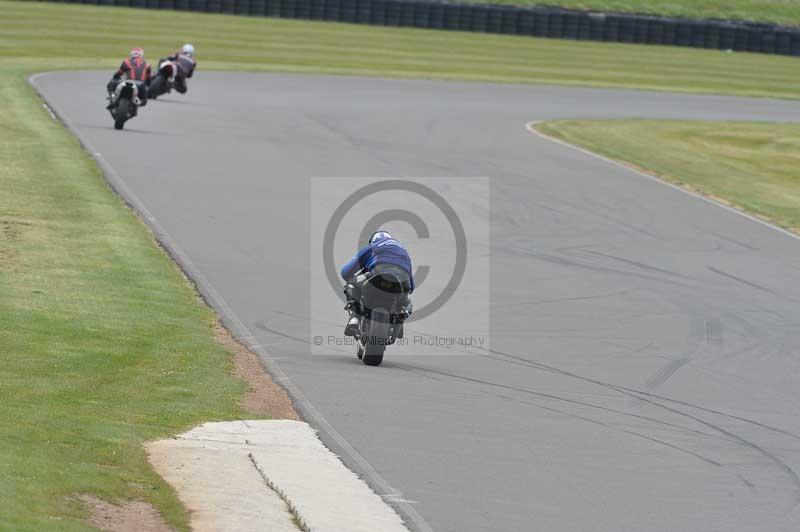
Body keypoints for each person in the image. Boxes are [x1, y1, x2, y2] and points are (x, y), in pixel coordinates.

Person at [340, 231, 414, 337]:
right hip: (402, 280)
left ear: (373, 241)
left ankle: (354, 317)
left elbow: (345, 272)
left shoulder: (373, 247)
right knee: (406, 300)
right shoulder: (403, 251)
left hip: (378, 275)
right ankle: (401, 315)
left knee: (351, 283)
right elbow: (411, 287)